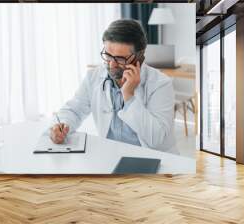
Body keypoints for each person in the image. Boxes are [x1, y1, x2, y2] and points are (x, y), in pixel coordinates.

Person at [48, 19, 176, 153]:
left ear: (139, 56)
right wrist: (61, 126)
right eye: (108, 56)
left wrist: (129, 96)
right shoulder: (94, 77)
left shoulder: (160, 84)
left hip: (152, 157)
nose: (111, 65)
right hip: (110, 155)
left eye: (120, 59)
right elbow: (74, 110)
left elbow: (156, 139)